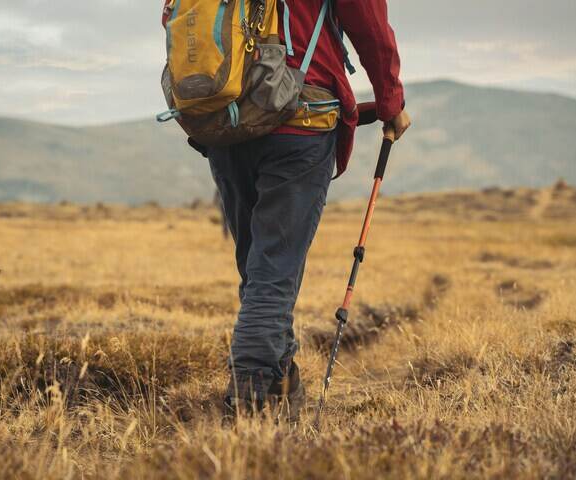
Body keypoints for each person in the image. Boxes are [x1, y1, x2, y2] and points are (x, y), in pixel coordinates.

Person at [166, 0, 410, 421]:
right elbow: (366, 19)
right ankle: (251, 400)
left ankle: (281, 383)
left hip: (226, 121)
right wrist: (390, 101)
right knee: (272, 272)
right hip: (301, 119)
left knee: (260, 272)